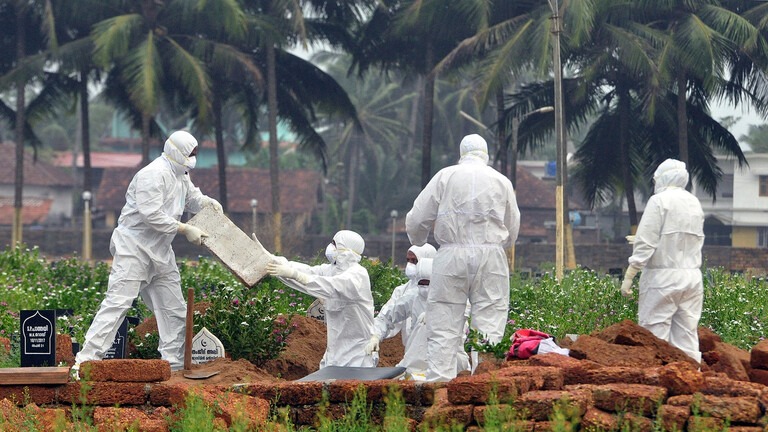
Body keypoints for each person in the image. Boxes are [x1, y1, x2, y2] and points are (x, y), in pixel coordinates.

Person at [73, 130, 222, 375]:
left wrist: (207, 202)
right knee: (118, 304)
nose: (193, 159)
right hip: (134, 248)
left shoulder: (181, 175)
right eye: (189, 154)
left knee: (174, 310)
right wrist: (184, 228)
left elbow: (191, 198)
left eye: (195, 154)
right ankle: (84, 364)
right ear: (175, 151)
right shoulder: (152, 175)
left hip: (161, 251)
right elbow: (151, 215)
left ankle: (174, 366)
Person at [406, 133, 520, 382]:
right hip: (491, 256)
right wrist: (500, 243)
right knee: (490, 319)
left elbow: (418, 217)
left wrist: (418, 239)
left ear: (461, 153)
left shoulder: (445, 176)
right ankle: (485, 383)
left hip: (451, 255)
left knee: (444, 320)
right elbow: (513, 226)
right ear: (485, 154)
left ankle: (439, 383)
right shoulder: (501, 181)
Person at [620, 158, 705, 363]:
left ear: (662, 178)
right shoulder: (693, 202)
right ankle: (690, 377)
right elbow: (683, 238)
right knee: (686, 336)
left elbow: (646, 242)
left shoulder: (659, 201)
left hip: (662, 278)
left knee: (653, 335)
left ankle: (655, 378)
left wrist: (630, 274)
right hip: (692, 277)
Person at [266, 230, 375, 368]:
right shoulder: (331, 270)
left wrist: (296, 275)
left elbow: (332, 286)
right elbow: (308, 272)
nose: (330, 247)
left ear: (347, 249)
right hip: (334, 354)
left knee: (353, 382)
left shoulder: (358, 275)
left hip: (358, 355)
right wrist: (271, 259)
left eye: (335, 244)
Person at [365, 258, 470, 379]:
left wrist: (437, 316)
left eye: (428, 283)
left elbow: (462, 317)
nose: (425, 289)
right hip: (416, 360)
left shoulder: (452, 297)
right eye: (421, 284)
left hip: (449, 359)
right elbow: (386, 317)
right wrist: (376, 336)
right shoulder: (413, 297)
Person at [377, 243, 437, 346]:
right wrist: (375, 335)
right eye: (408, 260)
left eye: (414, 261)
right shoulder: (405, 293)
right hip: (412, 351)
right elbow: (387, 316)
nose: (410, 265)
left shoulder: (446, 293)